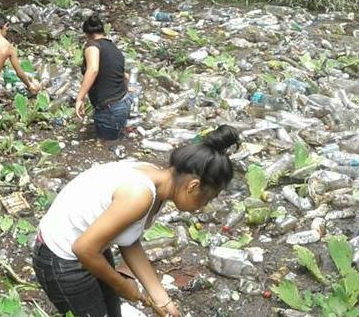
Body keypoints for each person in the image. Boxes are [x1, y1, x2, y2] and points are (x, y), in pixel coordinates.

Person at [33, 125, 240, 317]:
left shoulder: (161, 183)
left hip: (92, 244)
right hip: (61, 257)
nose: (202, 206)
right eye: (207, 198)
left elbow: (129, 240)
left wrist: (162, 299)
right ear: (193, 186)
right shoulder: (140, 194)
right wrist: (122, 285)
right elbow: (84, 249)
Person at [75, 15, 133, 141]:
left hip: (110, 108)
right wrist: (127, 88)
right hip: (123, 101)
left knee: (106, 145)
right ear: (103, 31)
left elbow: (93, 69)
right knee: (114, 141)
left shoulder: (92, 46)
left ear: (87, 34)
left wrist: (80, 98)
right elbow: (125, 75)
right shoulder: (114, 48)